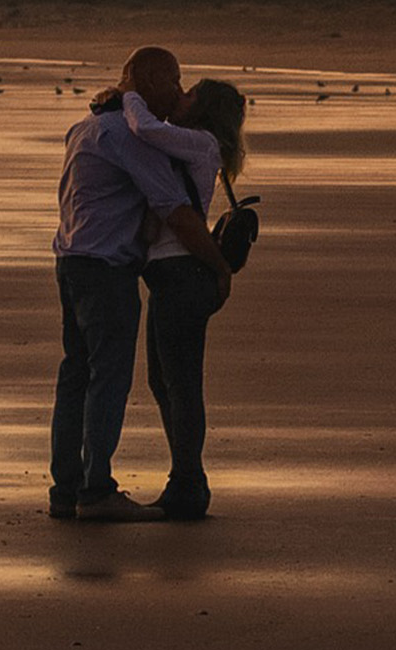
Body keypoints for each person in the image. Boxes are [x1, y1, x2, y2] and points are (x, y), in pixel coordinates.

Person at [49, 46, 232, 521]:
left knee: (75, 377)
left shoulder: (84, 128)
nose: (177, 90)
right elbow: (175, 211)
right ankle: (95, 490)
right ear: (149, 81)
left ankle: (65, 489)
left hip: (70, 260)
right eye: (173, 81)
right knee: (108, 378)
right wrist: (219, 265)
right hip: (107, 269)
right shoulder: (127, 137)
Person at [107, 75, 248, 520]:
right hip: (171, 276)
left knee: (181, 383)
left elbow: (145, 129)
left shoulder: (200, 143)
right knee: (164, 382)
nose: (179, 97)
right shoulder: (193, 144)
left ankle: (188, 483)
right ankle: (187, 478)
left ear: (204, 110)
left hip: (182, 274)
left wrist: (129, 92)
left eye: (188, 96)